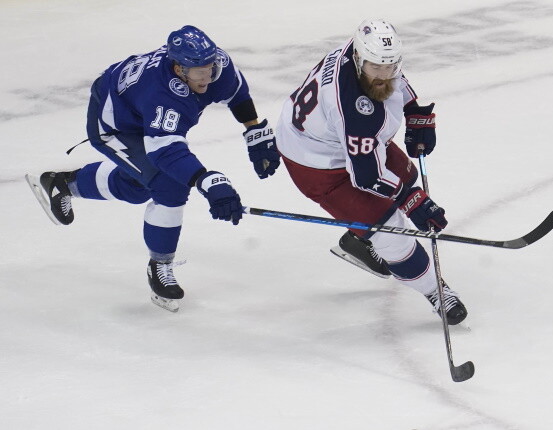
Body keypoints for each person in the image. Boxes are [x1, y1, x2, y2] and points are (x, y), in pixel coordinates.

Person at [27, 25, 280, 312]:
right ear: (179, 68)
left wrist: (254, 130)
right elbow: (165, 152)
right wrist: (207, 181)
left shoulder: (215, 63)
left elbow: (236, 93)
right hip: (116, 124)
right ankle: (160, 265)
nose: (207, 77)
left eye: (210, 67)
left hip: (139, 111)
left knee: (137, 189)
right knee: (168, 185)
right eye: (199, 72)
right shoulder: (163, 93)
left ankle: (64, 184)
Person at [276, 19, 467, 324]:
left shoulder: (363, 54)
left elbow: (397, 79)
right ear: (359, 60)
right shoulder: (354, 108)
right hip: (317, 164)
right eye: (375, 68)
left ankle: (359, 240)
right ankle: (435, 291)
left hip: (334, 139)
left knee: (404, 173)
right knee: (392, 232)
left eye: (388, 67)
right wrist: (411, 200)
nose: (383, 75)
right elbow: (366, 177)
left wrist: (415, 111)